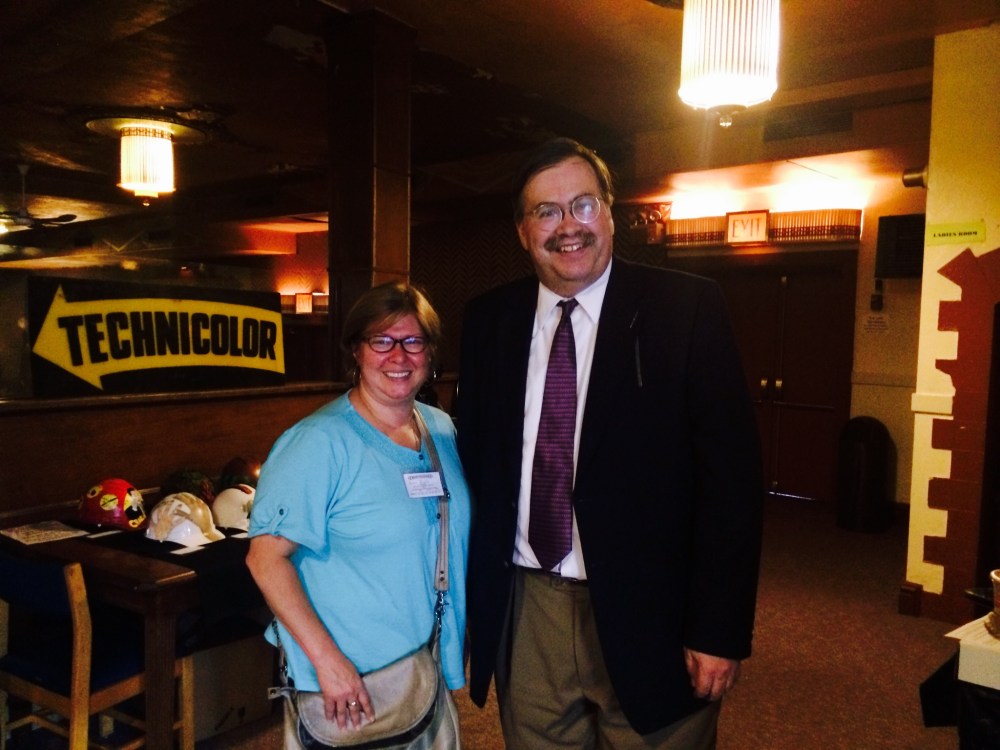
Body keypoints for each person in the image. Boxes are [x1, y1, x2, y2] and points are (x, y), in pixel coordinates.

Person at [457, 137, 763, 749]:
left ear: (610, 215)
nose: (568, 226)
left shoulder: (686, 308)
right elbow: (479, 467)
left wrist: (718, 630)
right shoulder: (490, 320)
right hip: (529, 608)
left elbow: (731, 484)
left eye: (583, 204)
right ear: (523, 231)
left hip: (656, 611)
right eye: (546, 211)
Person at [247, 281, 470, 747]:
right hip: (351, 683)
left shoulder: (440, 430)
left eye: (413, 341)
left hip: (423, 667)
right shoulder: (317, 442)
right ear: (356, 350)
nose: (398, 355)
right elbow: (265, 559)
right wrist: (329, 664)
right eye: (381, 340)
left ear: (430, 353)